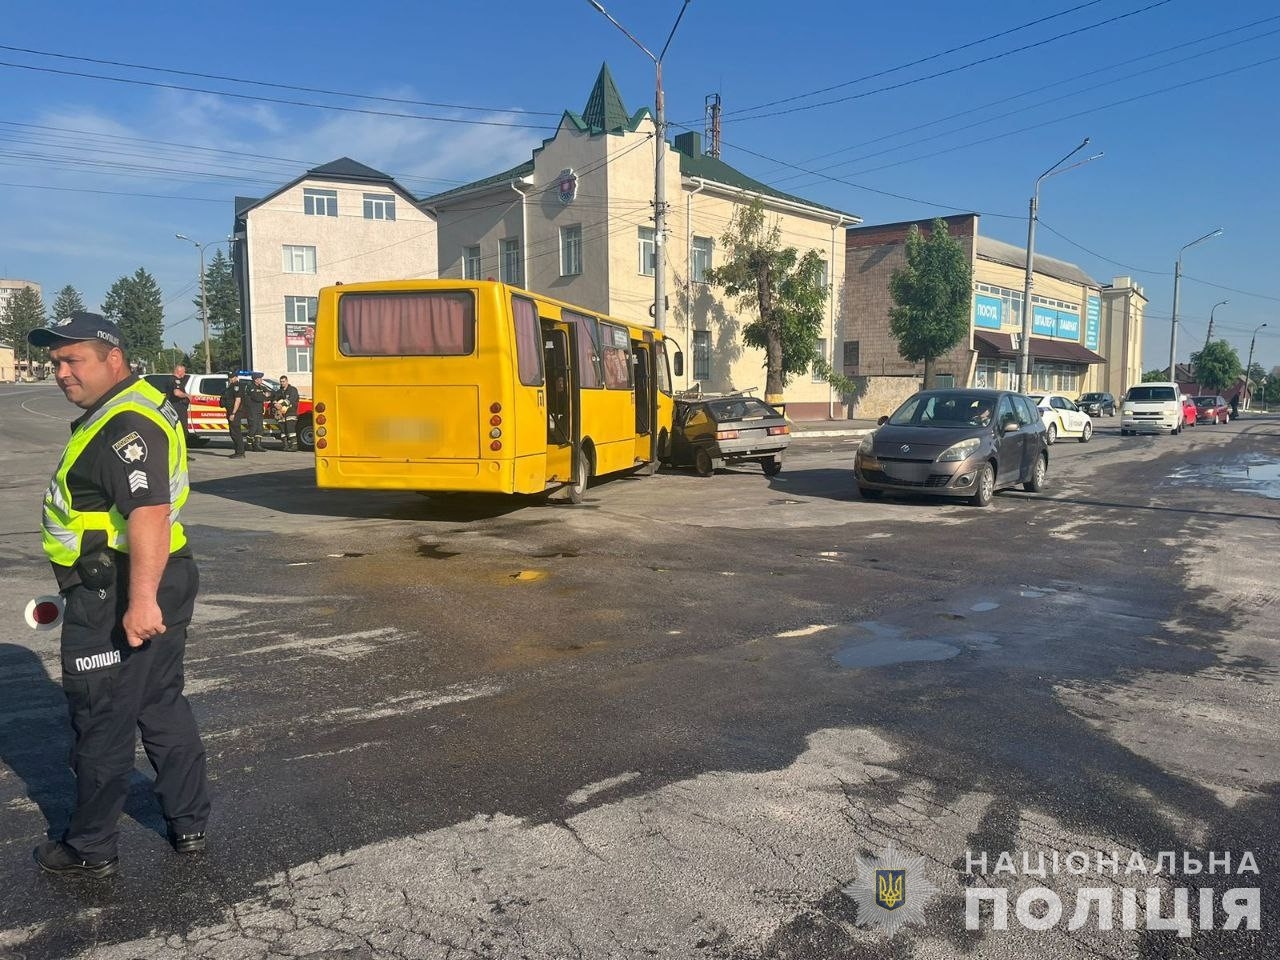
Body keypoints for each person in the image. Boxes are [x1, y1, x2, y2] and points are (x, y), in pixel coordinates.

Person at [27, 312, 210, 879]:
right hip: (154, 575)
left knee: (102, 713)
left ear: (113, 358)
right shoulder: (127, 408)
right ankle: (189, 823)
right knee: (159, 702)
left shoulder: (123, 425)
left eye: (71, 359)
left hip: (119, 587)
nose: (60, 372)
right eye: (55, 362)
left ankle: (90, 846)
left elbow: (149, 511)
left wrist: (141, 601)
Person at [221, 371, 246, 459]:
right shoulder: (231, 386)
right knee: (233, 432)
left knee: (236, 432)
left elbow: (238, 400)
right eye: (229, 377)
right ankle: (238, 451)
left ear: (236, 377)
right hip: (231, 412)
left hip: (235, 413)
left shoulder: (237, 386)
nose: (230, 379)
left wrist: (233, 413)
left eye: (232, 377)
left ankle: (240, 452)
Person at [273, 375, 301, 451]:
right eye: (281, 382)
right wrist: (275, 404)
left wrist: (281, 404)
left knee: (290, 428)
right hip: (281, 413)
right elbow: (274, 399)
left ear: (287, 381)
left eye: (283, 381)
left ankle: (294, 446)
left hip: (291, 412)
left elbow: (292, 399)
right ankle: (285, 445)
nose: (282, 383)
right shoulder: (279, 391)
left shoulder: (292, 389)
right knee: (283, 430)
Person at [165, 364, 190, 439]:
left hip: (172, 407)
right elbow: (177, 393)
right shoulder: (176, 380)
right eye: (183, 371)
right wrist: (187, 395)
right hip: (178, 408)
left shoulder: (169, 379)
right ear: (179, 371)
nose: (184, 373)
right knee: (182, 429)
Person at [245, 373, 268, 452]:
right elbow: (256, 397)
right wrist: (265, 396)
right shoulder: (251, 387)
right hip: (252, 411)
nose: (261, 380)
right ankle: (248, 444)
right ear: (256, 380)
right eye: (260, 378)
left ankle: (257, 445)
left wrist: (266, 394)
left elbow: (271, 393)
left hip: (259, 411)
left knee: (260, 428)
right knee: (253, 428)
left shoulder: (261, 387)